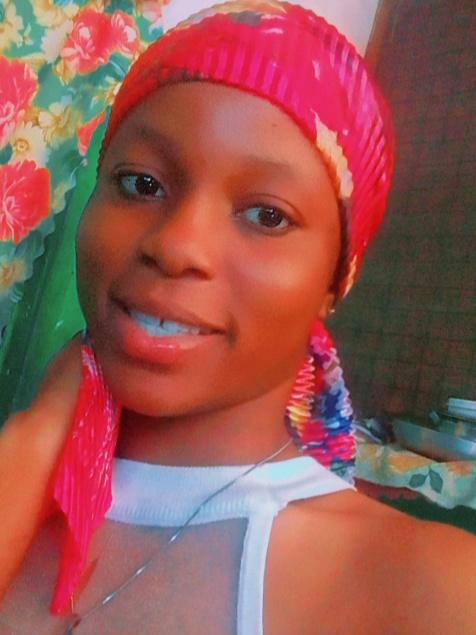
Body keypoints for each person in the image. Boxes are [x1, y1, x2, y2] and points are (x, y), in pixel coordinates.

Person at [1, 1, 475, 633]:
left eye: (266, 215)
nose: (177, 246)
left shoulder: (425, 589)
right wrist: (35, 440)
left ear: (334, 280)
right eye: (141, 183)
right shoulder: (21, 479)